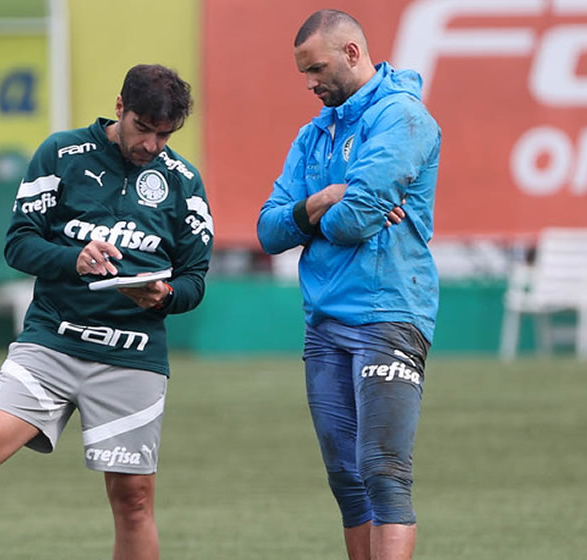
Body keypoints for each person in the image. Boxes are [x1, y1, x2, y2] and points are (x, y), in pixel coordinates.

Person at [0, 64, 212, 560]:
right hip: (52, 341)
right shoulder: (61, 154)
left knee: (134, 498)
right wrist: (73, 258)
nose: (152, 144)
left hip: (133, 354)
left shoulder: (184, 181)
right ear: (120, 108)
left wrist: (165, 296)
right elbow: (18, 245)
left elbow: (195, 280)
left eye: (165, 134)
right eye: (143, 128)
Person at [257, 10, 441, 560]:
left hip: (388, 312)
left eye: (316, 69)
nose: (309, 83)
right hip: (325, 322)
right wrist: (325, 198)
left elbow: (356, 218)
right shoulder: (313, 133)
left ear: (353, 54)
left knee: (384, 473)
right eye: (303, 73)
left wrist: (321, 216)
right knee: (345, 478)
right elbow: (268, 228)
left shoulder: (403, 118)